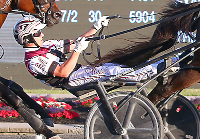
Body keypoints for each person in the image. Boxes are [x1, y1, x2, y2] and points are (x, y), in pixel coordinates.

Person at [15, 16, 175, 89]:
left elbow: (75, 43)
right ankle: (156, 69)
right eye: (37, 33)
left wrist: (95, 27)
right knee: (110, 71)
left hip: (79, 72)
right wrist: (77, 51)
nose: (42, 34)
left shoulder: (47, 45)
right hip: (71, 80)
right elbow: (63, 72)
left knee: (114, 64)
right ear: (27, 38)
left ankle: (168, 62)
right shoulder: (34, 61)